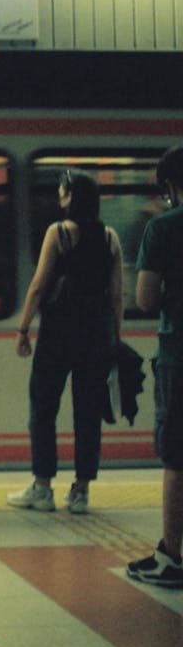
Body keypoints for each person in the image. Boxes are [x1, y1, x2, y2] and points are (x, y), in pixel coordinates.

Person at [10, 169, 122, 514]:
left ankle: (42, 487)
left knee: (43, 409)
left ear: (72, 196)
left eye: (63, 192)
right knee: (87, 413)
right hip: (95, 336)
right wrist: (113, 340)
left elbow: (39, 285)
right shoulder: (110, 238)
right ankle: (81, 492)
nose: (59, 197)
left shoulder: (58, 233)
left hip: (58, 333)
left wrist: (23, 328)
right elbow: (116, 296)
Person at [127, 146, 183, 588]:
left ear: (169, 186)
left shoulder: (163, 228)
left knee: (177, 456)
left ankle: (171, 556)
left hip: (178, 354)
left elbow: (145, 299)